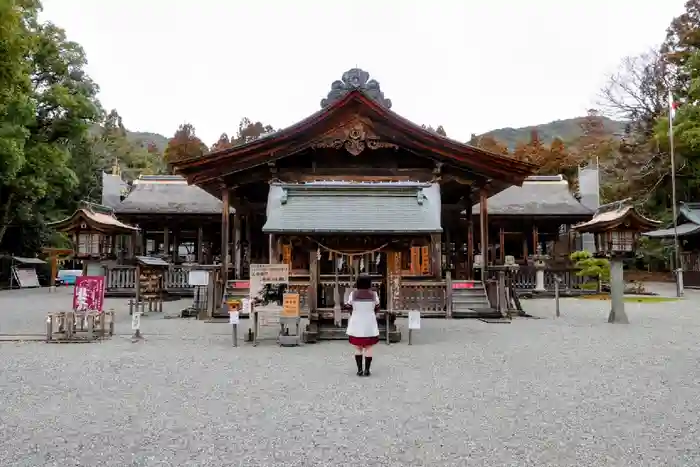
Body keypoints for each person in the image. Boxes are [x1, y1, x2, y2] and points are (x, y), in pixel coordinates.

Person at [345, 275, 380, 376]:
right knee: (369, 347)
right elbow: (377, 307)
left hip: (357, 322)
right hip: (370, 322)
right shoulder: (374, 294)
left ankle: (359, 370)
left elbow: (348, 306)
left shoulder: (353, 294)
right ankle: (367, 370)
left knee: (358, 347)